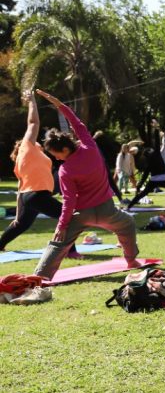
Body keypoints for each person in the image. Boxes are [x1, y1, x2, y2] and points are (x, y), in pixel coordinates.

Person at [31, 89, 139, 280]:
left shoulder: (65, 171)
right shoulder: (90, 146)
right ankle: (131, 260)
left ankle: (40, 276)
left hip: (82, 214)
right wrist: (58, 103)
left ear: (64, 149)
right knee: (128, 224)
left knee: (59, 242)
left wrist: (61, 226)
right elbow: (76, 123)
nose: (55, 158)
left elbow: (69, 201)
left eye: (55, 154)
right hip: (107, 211)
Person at [0, 91, 80, 258]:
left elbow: (21, 187)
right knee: (69, 218)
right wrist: (32, 101)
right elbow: (33, 122)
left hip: (30, 196)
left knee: (21, 224)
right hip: (37, 195)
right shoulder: (27, 148)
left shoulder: (32, 158)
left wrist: (17, 213)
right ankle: (70, 251)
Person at [127, 128, 165, 210]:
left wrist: (139, 186)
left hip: (153, 181)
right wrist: (156, 129)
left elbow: (145, 175)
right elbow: (157, 142)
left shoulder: (149, 162)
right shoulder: (156, 153)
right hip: (163, 179)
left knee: (142, 194)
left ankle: (129, 206)